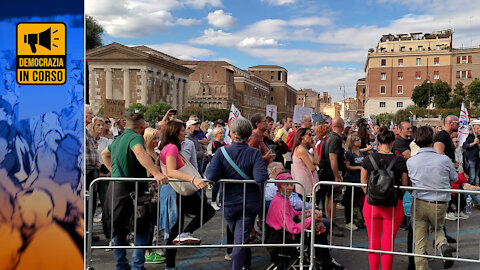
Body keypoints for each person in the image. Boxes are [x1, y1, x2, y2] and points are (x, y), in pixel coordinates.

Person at [101, 113, 169, 270]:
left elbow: (104, 154)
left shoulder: (118, 139)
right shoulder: (136, 138)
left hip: (116, 189)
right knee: (142, 228)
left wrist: (115, 172)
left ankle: (121, 266)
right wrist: (157, 172)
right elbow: (139, 152)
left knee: (118, 229)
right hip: (135, 190)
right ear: (142, 127)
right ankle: (137, 267)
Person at [205, 117, 269, 270]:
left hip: (229, 202)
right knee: (241, 238)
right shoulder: (253, 153)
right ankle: (244, 264)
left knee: (240, 238)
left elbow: (211, 175)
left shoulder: (222, 152)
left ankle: (241, 265)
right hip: (249, 202)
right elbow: (261, 177)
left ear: (233, 134)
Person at [158, 120, 215, 270]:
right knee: (177, 229)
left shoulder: (171, 147)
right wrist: (193, 179)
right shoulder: (171, 148)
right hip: (178, 192)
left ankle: (171, 263)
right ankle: (183, 236)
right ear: (174, 133)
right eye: (182, 130)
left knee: (175, 231)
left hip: (179, 191)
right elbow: (171, 171)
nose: (185, 133)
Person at [265, 172, 344, 270]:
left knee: (318, 230)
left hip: (282, 234)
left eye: (291, 184)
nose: (290, 187)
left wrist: (308, 212)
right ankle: (324, 263)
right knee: (318, 233)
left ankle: (322, 261)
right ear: (280, 186)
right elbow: (293, 228)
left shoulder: (282, 198)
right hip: (282, 239)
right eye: (286, 185)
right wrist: (312, 219)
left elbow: (293, 213)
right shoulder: (281, 202)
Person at [407, 126, 458, 270]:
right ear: (432, 140)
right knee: (437, 228)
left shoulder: (411, 161)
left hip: (419, 202)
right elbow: (454, 177)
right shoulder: (444, 159)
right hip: (440, 202)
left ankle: (422, 267)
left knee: (419, 241)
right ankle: (442, 245)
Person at [360, 126, 408, 270]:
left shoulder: (368, 159)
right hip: (393, 206)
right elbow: (404, 186)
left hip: (371, 205)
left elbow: (363, 182)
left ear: (378, 142)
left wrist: (371, 195)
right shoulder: (400, 161)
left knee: (373, 243)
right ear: (393, 142)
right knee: (388, 245)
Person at [141, 127, 165, 264]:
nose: (157, 141)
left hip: (158, 190)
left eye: (158, 138)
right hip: (149, 191)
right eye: (154, 138)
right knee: (148, 221)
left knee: (154, 221)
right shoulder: (144, 154)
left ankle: (150, 249)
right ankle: (147, 252)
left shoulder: (156, 153)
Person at [321, 117, 346, 236]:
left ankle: (329, 222)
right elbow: (333, 157)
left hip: (326, 171)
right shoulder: (335, 139)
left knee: (329, 198)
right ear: (340, 125)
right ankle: (331, 223)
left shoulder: (328, 137)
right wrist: (337, 176)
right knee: (333, 199)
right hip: (331, 172)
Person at [343, 134, 365, 231]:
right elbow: (347, 166)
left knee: (358, 201)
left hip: (359, 180)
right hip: (351, 179)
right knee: (350, 202)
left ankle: (357, 220)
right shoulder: (349, 153)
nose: (359, 141)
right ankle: (348, 221)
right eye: (357, 140)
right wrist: (358, 167)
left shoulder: (360, 152)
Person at [291, 128, 318, 197]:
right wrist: (314, 166)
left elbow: (316, 161)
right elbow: (312, 168)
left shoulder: (304, 149)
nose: (311, 137)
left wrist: (314, 147)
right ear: (302, 136)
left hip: (308, 183)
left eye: (312, 134)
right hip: (304, 185)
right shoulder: (300, 150)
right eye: (309, 134)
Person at [210, 126, 226, 211]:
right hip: (217, 167)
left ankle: (220, 200)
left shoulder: (223, 143)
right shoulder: (215, 143)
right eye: (220, 133)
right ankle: (213, 201)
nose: (222, 135)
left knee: (222, 185)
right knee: (216, 185)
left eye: (223, 133)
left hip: (223, 166)